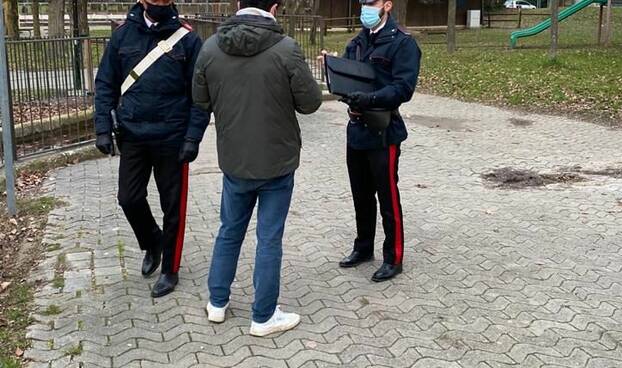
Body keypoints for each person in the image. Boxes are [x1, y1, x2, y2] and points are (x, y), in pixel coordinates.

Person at [192, 0, 322, 336]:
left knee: (229, 230)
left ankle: (217, 302)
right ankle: (263, 316)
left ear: (238, 4)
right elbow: (310, 103)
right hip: (277, 162)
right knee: (269, 238)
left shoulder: (210, 48)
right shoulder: (286, 49)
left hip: (235, 160)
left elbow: (200, 99)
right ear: (275, 7)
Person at [94, 0, 210, 297]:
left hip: (172, 136)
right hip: (133, 133)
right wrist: (103, 128)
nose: (158, 3)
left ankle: (170, 269)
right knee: (129, 198)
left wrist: (192, 138)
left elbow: (200, 94)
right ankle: (153, 241)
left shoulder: (188, 39)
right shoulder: (122, 35)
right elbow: (106, 82)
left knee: (173, 206)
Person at [338, 0, 421, 282]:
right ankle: (363, 247)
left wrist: (371, 99)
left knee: (388, 197)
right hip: (357, 128)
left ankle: (393, 256)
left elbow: (403, 87)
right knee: (360, 195)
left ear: (387, 4)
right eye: (362, 3)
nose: (366, 8)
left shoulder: (402, 43)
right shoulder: (358, 41)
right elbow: (347, 77)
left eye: (371, 3)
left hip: (384, 130)